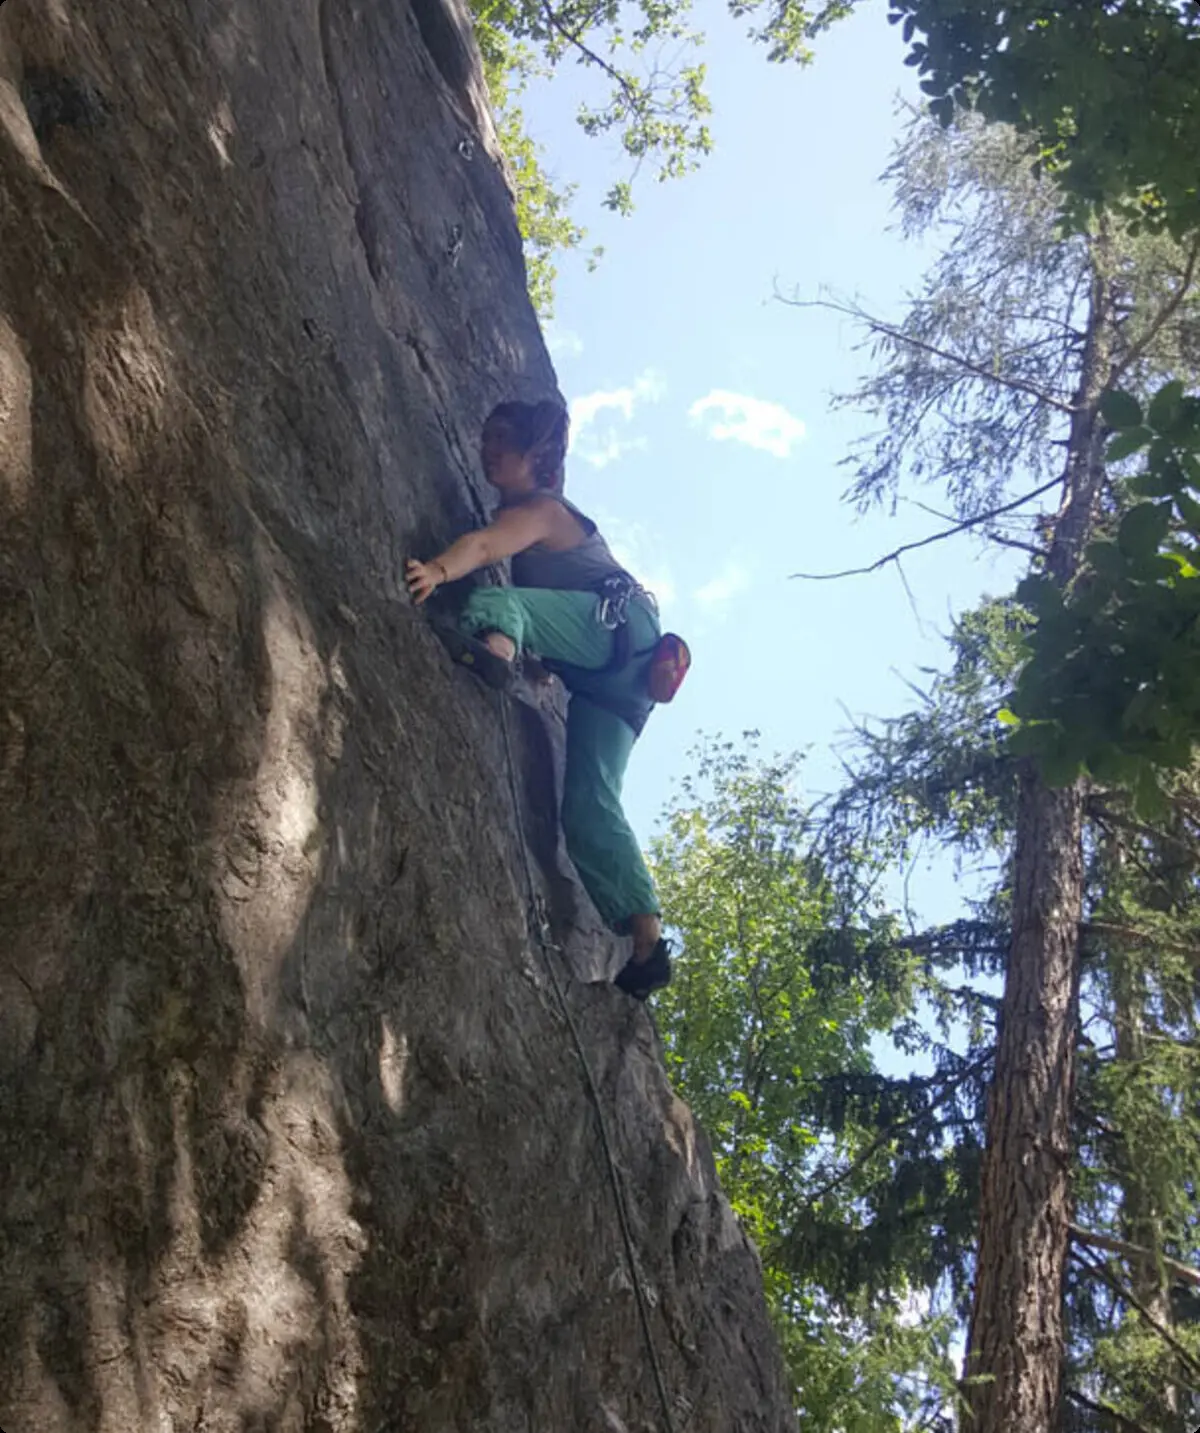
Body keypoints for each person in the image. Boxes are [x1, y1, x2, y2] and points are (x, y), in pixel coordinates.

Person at [405, 399, 672, 999]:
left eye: (504, 441)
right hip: (619, 679)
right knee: (588, 809)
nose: (487, 448)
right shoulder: (537, 521)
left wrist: (437, 573)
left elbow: (480, 548)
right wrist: (544, 661)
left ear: (539, 457)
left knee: (503, 602)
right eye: (487, 437)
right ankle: (648, 945)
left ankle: (493, 655)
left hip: (617, 632)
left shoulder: (543, 512)